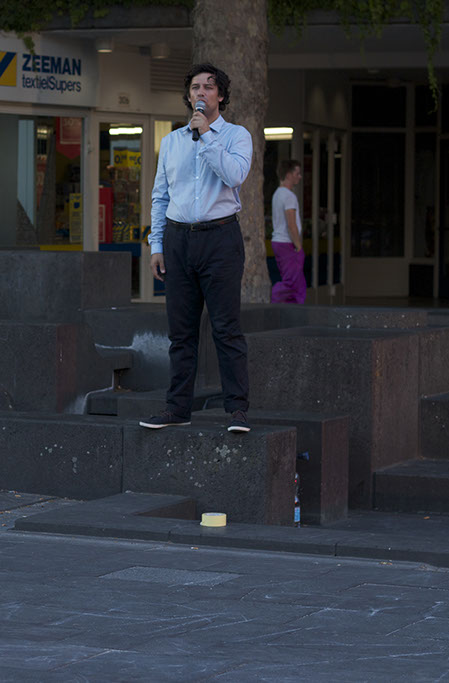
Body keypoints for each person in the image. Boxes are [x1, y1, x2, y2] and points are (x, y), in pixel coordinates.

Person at [139, 63, 252, 434]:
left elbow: (234, 175)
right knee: (181, 333)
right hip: (178, 240)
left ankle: (237, 410)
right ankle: (177, 408)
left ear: (221, 95)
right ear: (188, 96)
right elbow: (160, 196)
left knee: (226, 329)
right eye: (195, 88)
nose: (201, 93)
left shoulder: (236, 136)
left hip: (220, 239)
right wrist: (157, 245)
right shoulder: (172, 141)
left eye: (209, 87)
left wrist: (206, 136)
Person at [270, 159, 306, 304]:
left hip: (279, 242)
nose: (300, 177)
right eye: (297, 173)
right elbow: (291, 224)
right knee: (293, 283)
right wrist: (299, 247)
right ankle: (274, 301)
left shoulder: (277, 194)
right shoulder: (289, 196)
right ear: (288, 174)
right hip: (287, 243)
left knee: (297, 283)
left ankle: (291, 310)